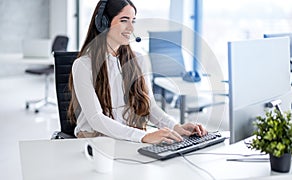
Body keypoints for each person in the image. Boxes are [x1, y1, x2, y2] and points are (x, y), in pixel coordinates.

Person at [67, 0, 207, 144]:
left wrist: (176, 127)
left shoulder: (138, 60)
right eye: (124, 20)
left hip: (128, 137)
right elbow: (96, 119)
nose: (131, 28)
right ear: (103, 23)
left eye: (133, 21)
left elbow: (150, 106)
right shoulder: (83, 65)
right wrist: (142, 136)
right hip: (94, 139)